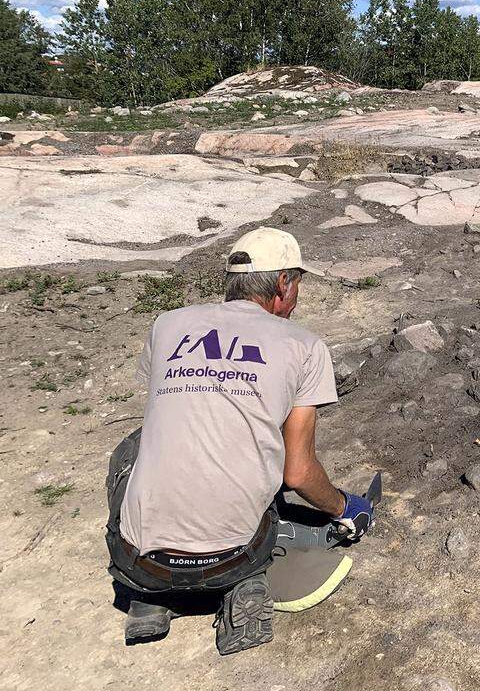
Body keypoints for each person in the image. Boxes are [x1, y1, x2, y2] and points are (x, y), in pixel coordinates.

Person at [104, 227, 375, 655]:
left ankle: (153, 597)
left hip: (138, 560)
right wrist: (347, 508)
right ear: (284, 283)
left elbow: (172, 420)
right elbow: (298, 472)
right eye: (298, 283)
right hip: (236, 556)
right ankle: (246, 583)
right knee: (261, 462)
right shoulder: (304, 346)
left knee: (134, 448)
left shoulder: (168, 324)